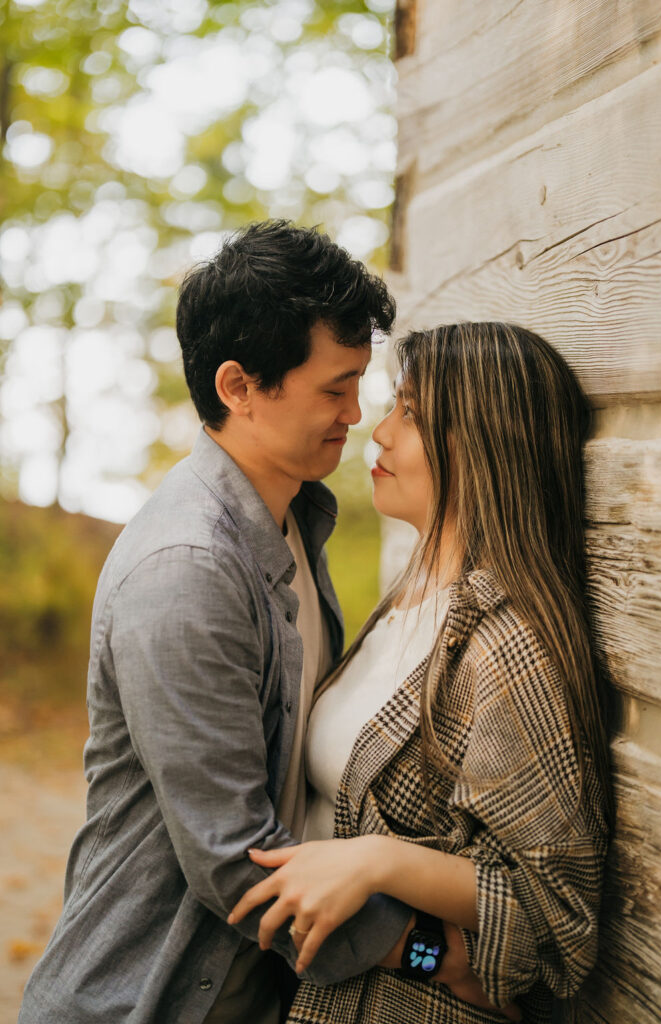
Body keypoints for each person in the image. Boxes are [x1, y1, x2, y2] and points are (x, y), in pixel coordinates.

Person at [18, 223, 504, 1024]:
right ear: (239, 387)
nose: (357, 414)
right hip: (146, 995)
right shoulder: (188, 571)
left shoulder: (297, 518)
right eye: (332, 388)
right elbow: (236, 862)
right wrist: (435, 953)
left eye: (359, 384)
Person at [230, 321, 615, 1024]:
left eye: (411, 414)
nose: (377, 431)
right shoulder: (405, 604)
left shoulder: (507, 645)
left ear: (483, 444)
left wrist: (381, 861)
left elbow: (557, 916)